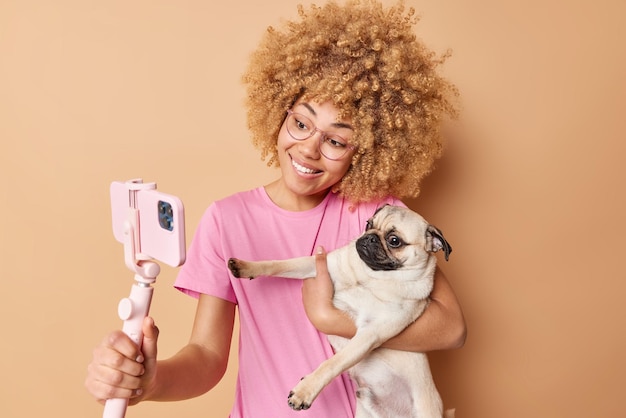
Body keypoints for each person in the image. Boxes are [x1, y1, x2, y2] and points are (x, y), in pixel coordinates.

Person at [85, 0, 466, 416]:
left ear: (368, 149)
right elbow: (208, 358)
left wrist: (328, 317)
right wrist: (149, 381)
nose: (308, 148)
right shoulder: (227, 220)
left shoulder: (375, 217)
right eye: (301, 123)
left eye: (336, 140)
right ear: (278, 113)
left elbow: (451, 328)